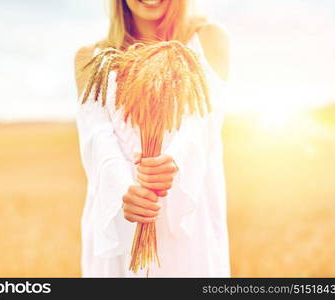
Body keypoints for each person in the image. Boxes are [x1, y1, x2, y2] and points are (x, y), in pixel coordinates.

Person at [74, 0, 230, 277]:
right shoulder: (91, 57)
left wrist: (176, 160)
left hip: (187, 222)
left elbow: (205, 118)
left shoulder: (207, 38)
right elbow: (97, 137)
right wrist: (123, 188)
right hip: (121, 215)